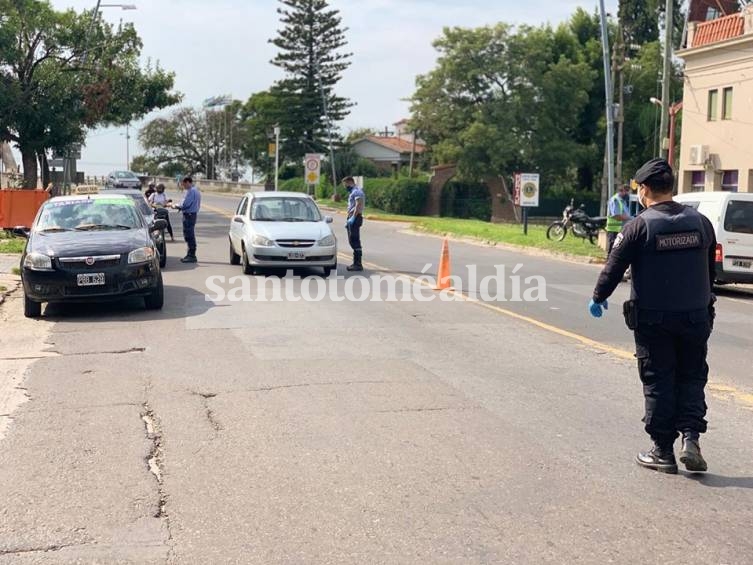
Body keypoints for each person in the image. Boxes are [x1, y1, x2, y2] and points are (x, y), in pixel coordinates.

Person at [589, 158, 717, 475]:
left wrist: (598, 297)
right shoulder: (701, 223)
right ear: (671, 188)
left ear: (644, 189)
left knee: (659, 379)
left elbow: (613, 268)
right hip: (696, 317)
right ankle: (691, 438)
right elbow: (710, 272)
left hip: (655, 320)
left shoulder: (639, 226)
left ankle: (662, 451)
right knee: (692, 376)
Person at [173, 176, 201, 263]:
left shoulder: (191, 191)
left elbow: (186, 204)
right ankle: (190, 254)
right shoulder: (195, 191)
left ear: (188, 182)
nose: (183, 186)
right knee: (188, 234)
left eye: (183, 184)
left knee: (189, 235)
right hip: (191, 214)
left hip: (189, 215)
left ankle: (191, 255)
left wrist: (176, 206)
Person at [343, 176, 365, 272]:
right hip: (353, 218)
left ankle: (358, 264)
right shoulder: (353, 192)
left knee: (354, 240)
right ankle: (356, 263)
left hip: (355, 218)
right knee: (352, 240)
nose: (345, 186)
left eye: (345, 184)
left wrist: (353, 217)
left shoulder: (357, 191)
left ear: (350, 182)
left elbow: (358, 204)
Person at [606, 184, 633, 255]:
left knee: (618, 252)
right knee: (612, 252)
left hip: (621, 230)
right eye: (626, 191)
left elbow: (625, 214)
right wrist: (630, 218)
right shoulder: (616, 200)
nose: (628, 193)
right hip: (614, 230)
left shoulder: (622, 201)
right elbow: (616, 216)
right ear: (621, 191)